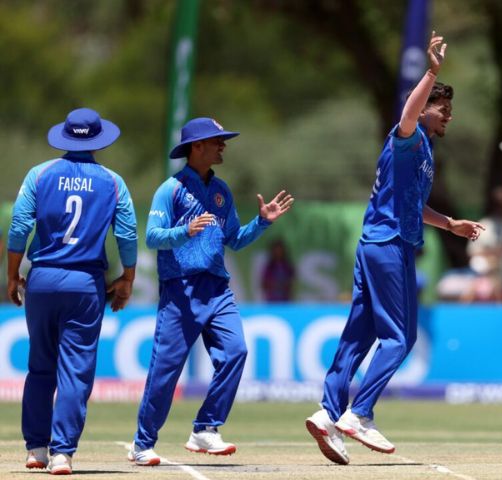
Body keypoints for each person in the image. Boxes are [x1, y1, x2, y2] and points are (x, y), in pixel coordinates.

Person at [305, 31, 485, 465]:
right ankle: (359, 414)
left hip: (375, 243)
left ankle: (328, 413)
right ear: (425, 109)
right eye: (444, 110)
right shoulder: (408, 137)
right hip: (390, 245)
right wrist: (432, 71)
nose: (449, 118)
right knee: (401, 337)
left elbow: (413, 204)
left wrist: (450, 225)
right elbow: (407, 115)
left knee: (358, 335)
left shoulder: (423, 151)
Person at [127, 117, 294, 466]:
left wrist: (262, 222)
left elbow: (234, 239)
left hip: (217, 289)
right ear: (197, 147)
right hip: (181, 289)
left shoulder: (222, 191)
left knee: (236, 351)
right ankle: (143, 443)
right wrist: (184, 231)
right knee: (166, 370)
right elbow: (153, 237)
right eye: (217, 141)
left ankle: (205, 427)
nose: (223, 146)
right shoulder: (170, 189)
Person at [7, 108, 138, 475]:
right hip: (85, 285)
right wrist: (127, 278)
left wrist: (13, 275)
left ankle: (36, 448)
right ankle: (62, 453)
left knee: (40, 366)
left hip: (44, 279)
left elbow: (19, 228)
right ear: (99, 140)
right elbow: (127, 235)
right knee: (75, 372)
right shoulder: (112, 181)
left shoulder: (40, 174)